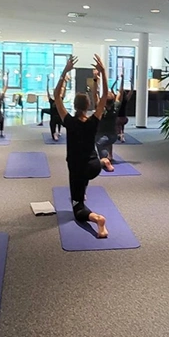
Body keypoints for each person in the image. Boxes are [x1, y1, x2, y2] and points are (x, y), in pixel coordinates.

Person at [54, 54, 108, 238]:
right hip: (94, 167)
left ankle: (98, 220)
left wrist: (65, 71)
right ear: (88, 105)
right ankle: (103, 162)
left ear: (74, 106)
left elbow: (56, 96)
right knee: (83, 175)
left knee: (77, 208)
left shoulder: (69, 121)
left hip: (78, 168)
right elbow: (104, 97)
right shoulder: (93, 121)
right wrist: (102, 73)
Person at [116, 74, 130, 142]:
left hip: (118, 118)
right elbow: (131, 91)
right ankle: (122, 135)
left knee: (117, 124)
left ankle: (119, 134)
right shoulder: (126, 99)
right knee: (122, 125)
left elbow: (119, 89)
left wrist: (118, 80)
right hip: (125, 118)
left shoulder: (119, 100)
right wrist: (131, 83)